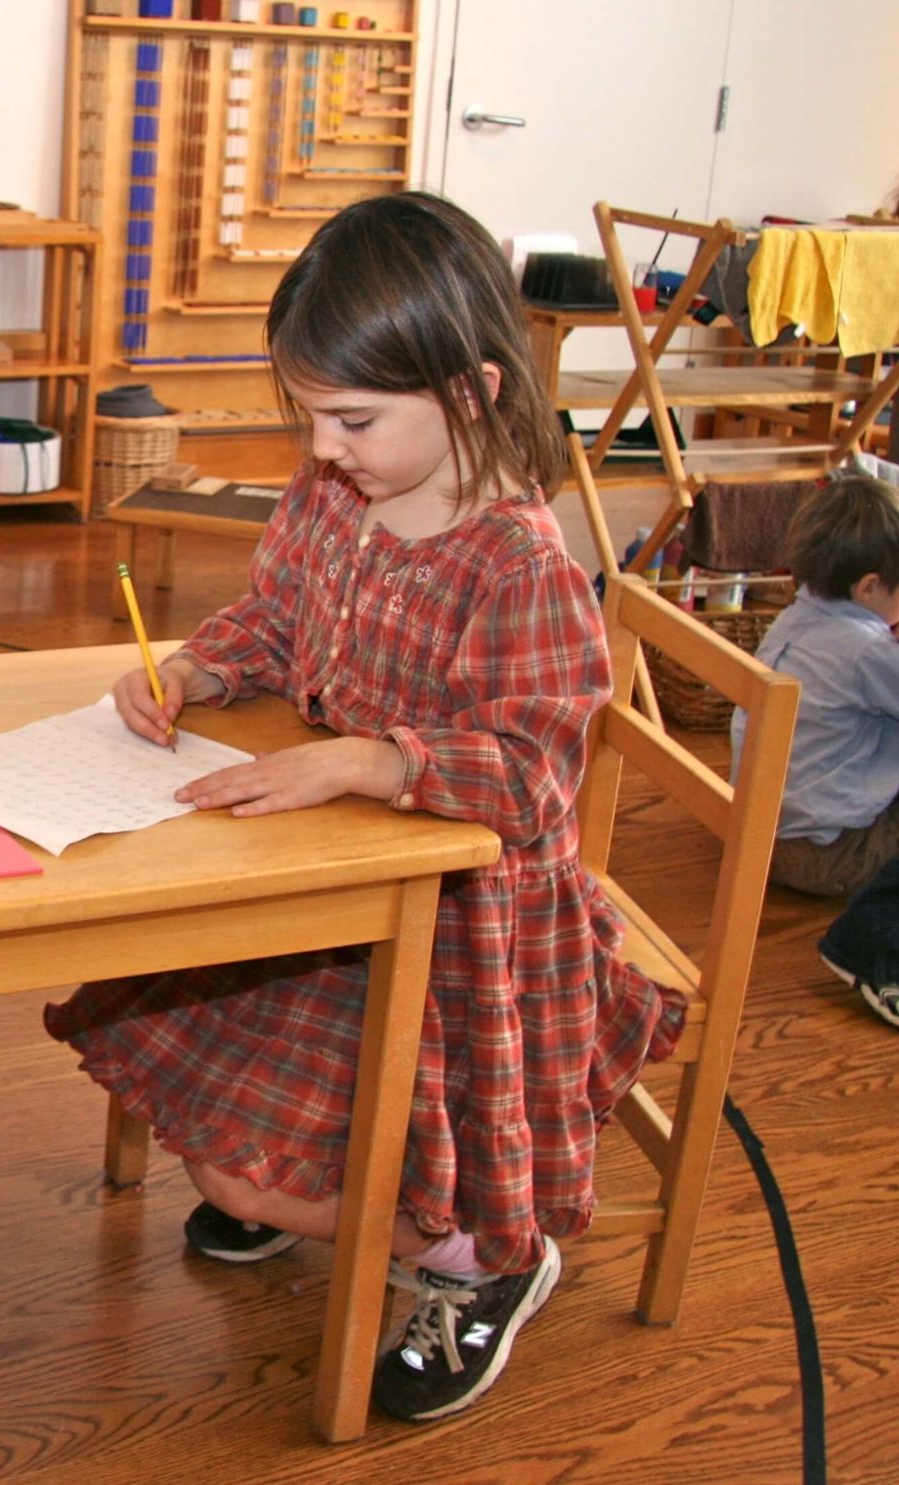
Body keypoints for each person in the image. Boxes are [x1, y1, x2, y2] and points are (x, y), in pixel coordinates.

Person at [44, 192, 685, 1423]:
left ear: (476, 390)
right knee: (221, 1143)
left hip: (470, 931)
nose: (323, 446)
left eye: (350, 418)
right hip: (340, 885)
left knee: (256, 1175)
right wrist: (197, 668)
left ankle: (487, 1257)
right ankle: (305, 1191)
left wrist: (370, 763)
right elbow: (279, 620)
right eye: (310, 415)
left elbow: (536, 781)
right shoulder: (336, 497)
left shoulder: (520, 566)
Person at [729, 472, 899, 899]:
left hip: (760, 837)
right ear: (870, 587)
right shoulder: (865, 651)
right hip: (828, 856)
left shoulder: (795, 618)